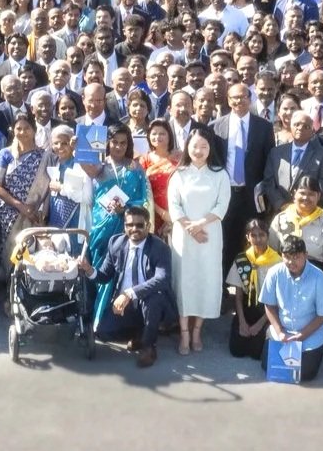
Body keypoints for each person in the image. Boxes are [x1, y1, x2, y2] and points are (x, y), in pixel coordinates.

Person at [81, 206, 173, 368]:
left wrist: (129, 293)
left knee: (154, 299)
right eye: (129, 225)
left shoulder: (159, 247)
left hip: (149, 301)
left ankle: (148, 346)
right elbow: (104, 276)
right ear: (124, 226)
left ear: (148, 226)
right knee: (104, 332)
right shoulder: (116, 243)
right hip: (125, 304)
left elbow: (162, 279)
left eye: (139, 225)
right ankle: (138, 332)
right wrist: (89, 270)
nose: (134, 229)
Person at [168, 133, 230, 355]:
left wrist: (200, 224)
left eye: (204, 146)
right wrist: (189, 227)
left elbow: (222, 205)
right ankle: (184, 332)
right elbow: (174, 205)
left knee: (205, 280)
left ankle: (197, 332)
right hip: (184, 236)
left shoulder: (219, 174)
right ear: (187, 148)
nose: (199, 150)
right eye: (195, 146)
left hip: (210, 234)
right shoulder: (179, 174)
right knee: (185, 281)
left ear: (210, 149)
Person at [258, 235, 323, 382]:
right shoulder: (274, 273)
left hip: (310, 334)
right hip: (283, 331)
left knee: (304, 374)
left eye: (296, 257)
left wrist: (302, 335)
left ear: (305, 255)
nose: (291, 262)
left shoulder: (319, 278)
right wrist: (279, 331)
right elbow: (269, 304)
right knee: (268, 367)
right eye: (287, 257)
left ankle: (319, 351)